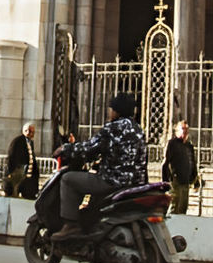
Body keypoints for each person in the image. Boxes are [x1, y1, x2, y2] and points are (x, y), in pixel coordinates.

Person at [54, 93, 148, 238]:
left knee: (68, 179)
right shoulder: (138, 131)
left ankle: (71, 225)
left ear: (117, 111)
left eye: (110, 109)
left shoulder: (113, 128)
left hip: (111, 181)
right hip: (134, 184)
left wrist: (66, 149)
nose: (108, 113)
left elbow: (90, 147)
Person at [161, 120, 197, 217]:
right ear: (177, 131)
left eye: (186, 130)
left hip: (185, 180)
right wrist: (165, 182)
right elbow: (165, 163)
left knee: (183, 207)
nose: (185, 132)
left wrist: (195, 179)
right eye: (182, 129)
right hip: (175, 181)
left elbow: (192, 163)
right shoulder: (172, 144)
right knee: (175, 206)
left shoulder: (189, 146)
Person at [5, 123, 38, 199]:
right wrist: (10, 172)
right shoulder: (17, 141)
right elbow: (11, 156)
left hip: (28, 176)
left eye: (33, 132)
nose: (31, 134)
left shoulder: (30, 143)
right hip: (19, 174)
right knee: (14, 195)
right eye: (29, 131)